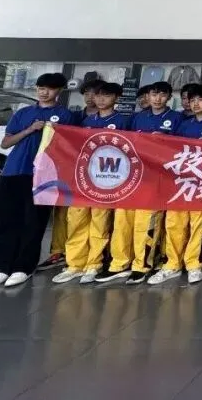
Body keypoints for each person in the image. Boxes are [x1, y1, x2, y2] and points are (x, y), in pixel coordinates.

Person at [0, 73, 74, 289]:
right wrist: (30, 129)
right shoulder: (24, 113)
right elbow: (6, 143)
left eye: (49, 88)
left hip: (44, 176)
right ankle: (3, 268)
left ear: (59, 91)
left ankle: (24, 267)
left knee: (33, 222)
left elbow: (70, 145)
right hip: (14, 172)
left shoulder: (65, 115)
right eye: (40, 88)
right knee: (6, 222)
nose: (44, 92)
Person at [98, 82, 181, 285]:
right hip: (133, 176)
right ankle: (119, 264)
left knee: (147, 222)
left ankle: (142, 265)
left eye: (162, 95)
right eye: (154, 94)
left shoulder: (177, 119)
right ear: (148, 96)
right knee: (122, 221)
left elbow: (183, 149)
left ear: (169, 97)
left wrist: (166, 139)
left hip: (159, 178)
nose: (157, 99)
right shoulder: (137, 117)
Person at [148, 84, 202, 285]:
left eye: (200, 100)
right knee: (174, 224)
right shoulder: (184, 125)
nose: (195, 104)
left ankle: (194, 265)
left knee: (198, 225)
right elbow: (172, 151)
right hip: (180, 182)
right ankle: (172, 264)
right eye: (192, 100)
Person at [53, 82, 132, 285]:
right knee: (76, 222)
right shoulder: (87, 121)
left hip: (108, 180)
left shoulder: (123, 121)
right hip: (83, 180)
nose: (101, 99)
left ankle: (94, 264)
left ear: (116, 98)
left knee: (100, 223)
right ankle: (75, 264)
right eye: (97, 95)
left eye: (107, 95)